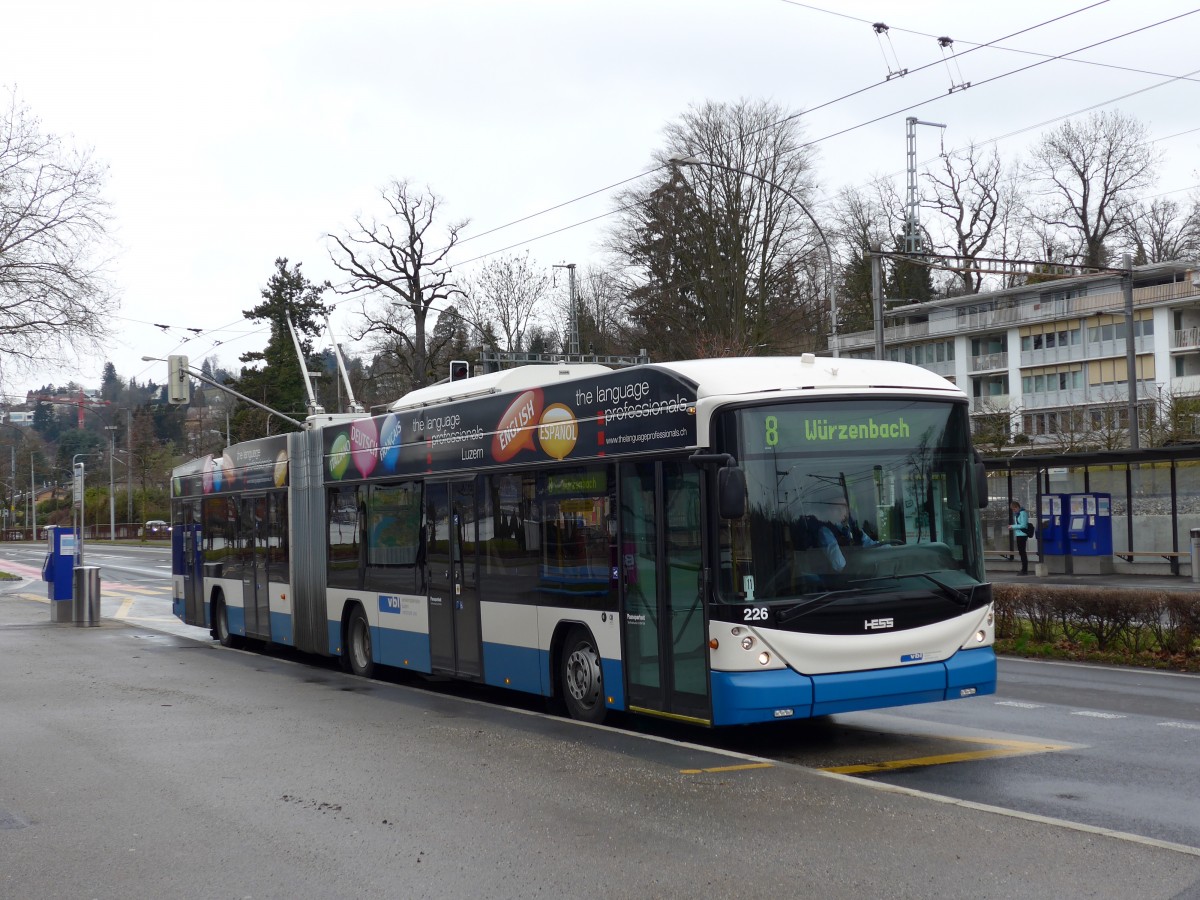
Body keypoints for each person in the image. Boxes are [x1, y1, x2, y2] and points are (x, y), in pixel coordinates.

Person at [816, 497, 877, 572]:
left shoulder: (853, 528)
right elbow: (839, 565)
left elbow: (871, 544)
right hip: (841, 579)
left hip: (862, 574)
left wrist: (892, 549)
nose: (841, 511)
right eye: (837, 508)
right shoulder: (825, 531)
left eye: (843, 507)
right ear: (829, 510)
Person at [1009, 500, 1030, 575]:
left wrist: (1013, 526)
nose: (1014, 511)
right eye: (1013, 510)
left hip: (1022, 535)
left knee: (1022, 552)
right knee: (1021, 552)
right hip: (1019, 534)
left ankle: (1024, 570)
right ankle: (1024, 569)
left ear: (1017, 507)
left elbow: (1023, 525)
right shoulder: (1017, 514)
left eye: (1014, 509)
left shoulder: (1022, 513)